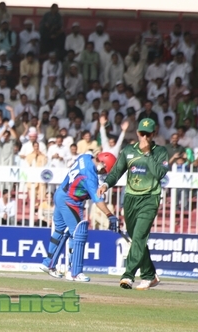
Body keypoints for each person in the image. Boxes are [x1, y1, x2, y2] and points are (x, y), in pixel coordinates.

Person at [98, 118, 168, 290]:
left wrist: (147, 154)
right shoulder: (128, 150)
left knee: (138, 237)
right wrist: (106, 184)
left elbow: (159, 173)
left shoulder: (160, 152)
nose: (144, 137)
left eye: (148, 134)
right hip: (130, 199)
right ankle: (150, 275)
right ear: (137, 133)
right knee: (135, 238)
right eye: (141, 133)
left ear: (154, 134)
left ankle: (128, 276)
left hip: (150, 198)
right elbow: (116, 171)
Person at [40, 151, 118, 282]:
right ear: (102, 164)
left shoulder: (85, 157)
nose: (103, 174)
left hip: (60, 195)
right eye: (104, 171)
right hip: (70, 201)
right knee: (79, 233)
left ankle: (48, 263)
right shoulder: (90, 176)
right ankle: (75, 272)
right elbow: (97, 200)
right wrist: (110, 215)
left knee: (61, 231)